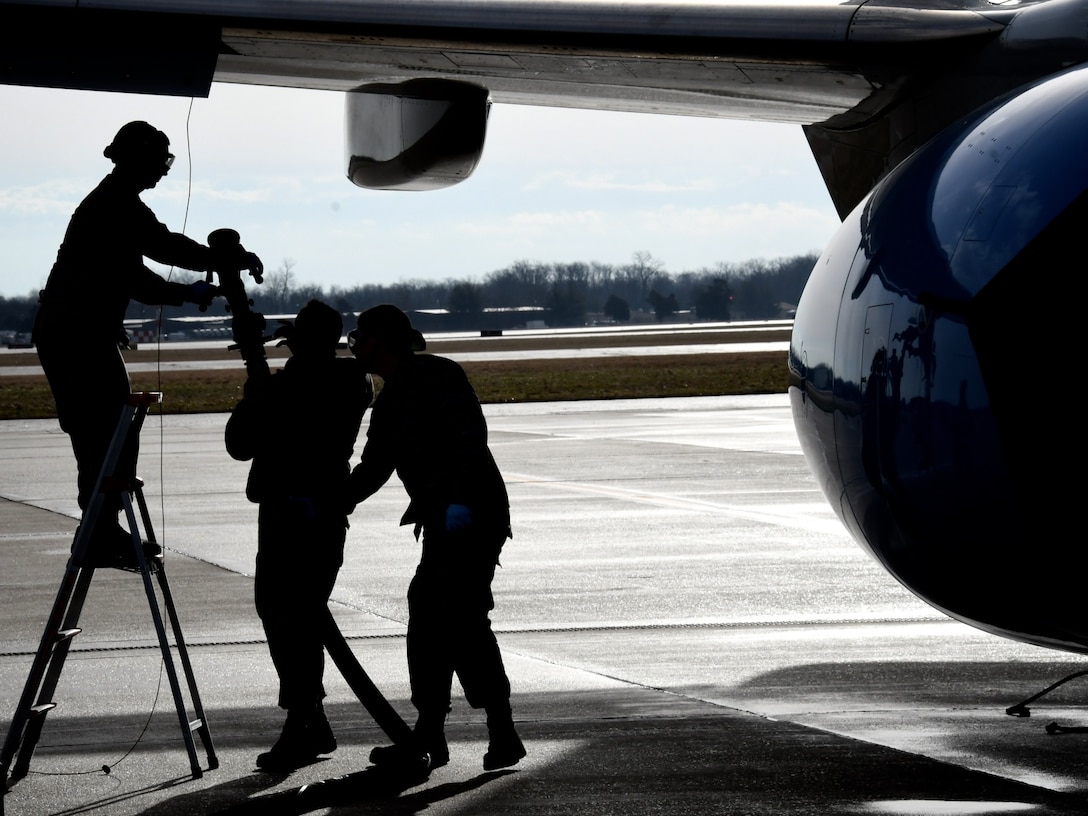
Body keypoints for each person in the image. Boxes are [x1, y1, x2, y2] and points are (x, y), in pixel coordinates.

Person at [32, 120, 261, 569]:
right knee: (104, 431)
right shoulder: (115, 205)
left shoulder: (118, 202)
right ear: (137, 159)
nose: (164, 171)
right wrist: (214, 266)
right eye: (160, 161)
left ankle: (99, 526)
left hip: (79, 333)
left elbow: (145, 266)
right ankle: (99, 529)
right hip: (75, 335)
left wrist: (194, 285)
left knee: (107, 431)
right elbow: (158, 253)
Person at [343, 304, 525, 772]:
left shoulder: (438, 375)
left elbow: (470, 439)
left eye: (359, 337)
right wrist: (332, 502)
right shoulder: (389, 398)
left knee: (456, 615)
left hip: (471, 515)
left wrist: (460, 507)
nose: (354, 345)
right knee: (436, 614)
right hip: (446, 518)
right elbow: (374, 467)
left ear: (380, 340)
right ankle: (440, 734)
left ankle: (486, 731)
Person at [225, 299, 373, 771]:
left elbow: (248, 441)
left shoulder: (339, 381)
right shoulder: (308, 382)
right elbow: (241, 444)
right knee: (284, 615)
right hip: (286, 515)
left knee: (296, 620)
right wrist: (259, 391)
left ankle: (301, 723)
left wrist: (261, 391)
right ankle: (313, 718)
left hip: (310, 517)